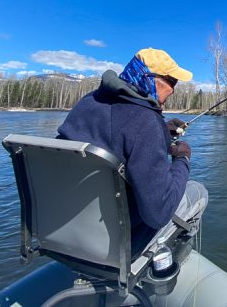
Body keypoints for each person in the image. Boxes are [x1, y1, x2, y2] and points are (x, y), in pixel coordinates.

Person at [56, 48, 208, 253]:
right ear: (151, 79)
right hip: (120, 240)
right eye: (172, 82)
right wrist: (182, 159)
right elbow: (159, 212)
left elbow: (117, 134)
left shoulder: (89, 102)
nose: (174, 89)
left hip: (69, 227)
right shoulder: (145, 121)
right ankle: (170, 259)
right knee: (198, 192)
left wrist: (162, 130)